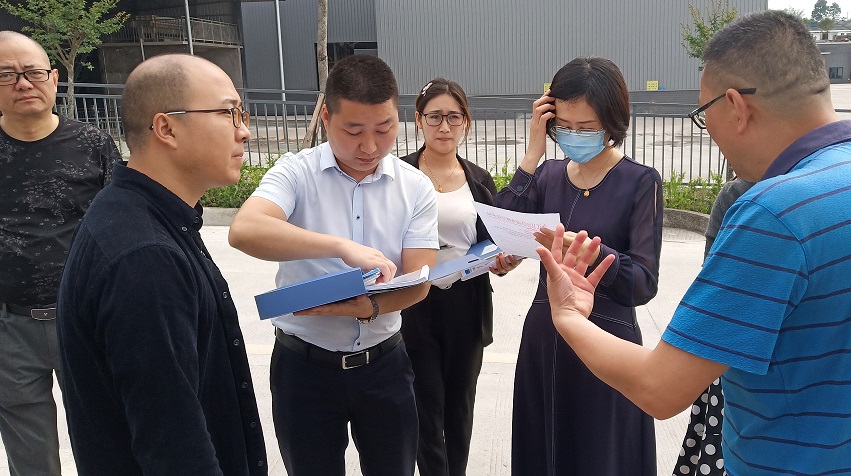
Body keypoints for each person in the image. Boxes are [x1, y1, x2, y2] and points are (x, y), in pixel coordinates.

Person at [541, 11, 851, 476]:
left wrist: (569, 316)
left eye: (704, 117)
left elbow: (659, 389)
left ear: (736, 106)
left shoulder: (774, 213)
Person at [55, 54, 267, 475]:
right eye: (227, 113)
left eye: (241, 114)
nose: (244, 131)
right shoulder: (144, 256)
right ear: (166, 128)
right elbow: (173, 443)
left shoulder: (140, 215)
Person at [228, 55, 438, 476]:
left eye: (385, 129)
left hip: (384, 366)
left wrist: (367, 307)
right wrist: (341, 247)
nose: (370, 146)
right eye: (353, 131)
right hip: (304, 368)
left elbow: (419, 281)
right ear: (326, 117)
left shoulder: (415, 187)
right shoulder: (296, 173)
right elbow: (245, 229)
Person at [495, 57, 662, 475]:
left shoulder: (640, 181)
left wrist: (591, 253)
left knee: (600, 455)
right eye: (563, 125)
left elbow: (644, 282)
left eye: (585, 127)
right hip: (544, 336)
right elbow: (504, 227)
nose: (573, 135)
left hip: (608, 342)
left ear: (612, 122)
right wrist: (533, 153)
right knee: (543, 451)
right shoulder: (547, 175)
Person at [0, 30, 120, 476]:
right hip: (3, 324)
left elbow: (121, 225)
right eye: (6, 75)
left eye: (34, 72)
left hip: (84, 321)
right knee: (30, 457)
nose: (23, 83)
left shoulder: (93, 144)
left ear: (54, 78)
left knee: (106, 441)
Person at [399, 78, 519, 476]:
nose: (444, 127)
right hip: (413, 302)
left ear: (466, 121)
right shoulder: (398, 175)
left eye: (454, 117)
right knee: (424, 406)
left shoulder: (479, 180)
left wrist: (504, 260)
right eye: (435, 117)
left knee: (460, 406)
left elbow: (492, 241)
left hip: (466, 304)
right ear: (419, 120)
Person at [673, 178, 752, 476]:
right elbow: (713, 283)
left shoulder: (742, 194)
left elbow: (659, 393)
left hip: (736, 358)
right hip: (733, 356)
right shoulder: (737, 192)